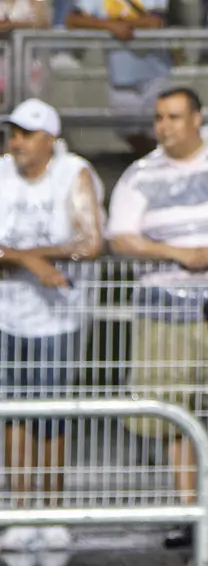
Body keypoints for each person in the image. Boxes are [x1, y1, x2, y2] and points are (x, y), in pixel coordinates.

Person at [105, 87, 208, 551]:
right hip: (163, 312)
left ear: (198, 118)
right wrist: (180, 254)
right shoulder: (140, 174)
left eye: (175, 116)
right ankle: (191, 511)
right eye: (159, 117)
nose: (164, 126)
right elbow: (122, 238)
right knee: (175, 417)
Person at [0, 99, 104, 552]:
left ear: (49, 139)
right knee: (13, 415)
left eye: (24, 133)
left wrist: (26, 259)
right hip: (6, 314)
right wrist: (31, 260)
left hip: (57, 317)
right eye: (12, 133)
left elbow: (90, 240)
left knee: (52, 415)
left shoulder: (74, 172)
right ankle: (21, 511)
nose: (15, 142)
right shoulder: (1, 171)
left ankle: (52, 509)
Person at [67, 0, 170, 153]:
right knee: (127, 129)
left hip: (155, 69)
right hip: (120, 74)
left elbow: (154, 21)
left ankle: (155, 163)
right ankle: (148, 160)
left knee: (158, 126)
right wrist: (110, 25)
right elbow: (73, 20)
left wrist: (122, 25)